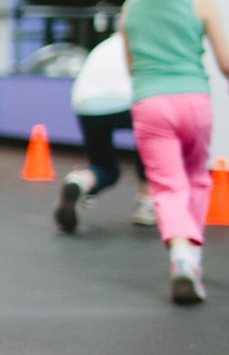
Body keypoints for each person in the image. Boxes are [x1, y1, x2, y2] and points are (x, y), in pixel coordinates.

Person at [119, 0, 229, 304]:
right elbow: (227, 62)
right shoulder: (201, 4)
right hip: (194, 102)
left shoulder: (131, 8)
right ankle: (194, 256)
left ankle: (181, 255)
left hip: (151, 104)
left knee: (167, 185)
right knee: (196, 178)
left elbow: (131, 66)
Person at [53, 34, 154, 233]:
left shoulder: (105, 45)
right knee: (150, 140)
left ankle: (79, 181)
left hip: (86, 104)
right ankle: (145, 202)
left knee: (104, 166)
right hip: (126, 100)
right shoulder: (145, 41)